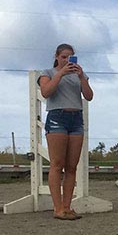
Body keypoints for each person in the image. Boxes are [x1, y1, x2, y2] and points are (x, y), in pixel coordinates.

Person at [38, 43, 93, 220]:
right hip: (57, 117)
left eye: (70, 57)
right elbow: (46, 92)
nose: (67, 60)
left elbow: (89, 96)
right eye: (63, 57)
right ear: (56, 56)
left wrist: (82, 77)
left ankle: (68, 206)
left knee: (71, 166)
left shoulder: (79, 75)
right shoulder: (48, 73)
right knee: (57, 163)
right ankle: (58, 207)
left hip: (76, 118)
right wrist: (60, 73)